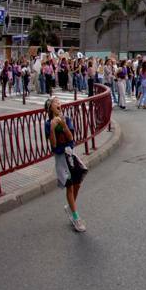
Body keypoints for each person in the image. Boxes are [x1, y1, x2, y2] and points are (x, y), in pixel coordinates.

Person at [45, 99, 86, 232]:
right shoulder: (47, 124)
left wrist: (63, 124)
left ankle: (70, 207)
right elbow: (54, 144)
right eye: (55, 102)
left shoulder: (66, 119)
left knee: (77, 184)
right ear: (50, 107)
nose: (58, 103)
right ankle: (75, 217)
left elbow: (70, 138)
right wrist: (52, 127)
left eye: (59, 101)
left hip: (70, 155)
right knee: (69, 186)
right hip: (61, 158)